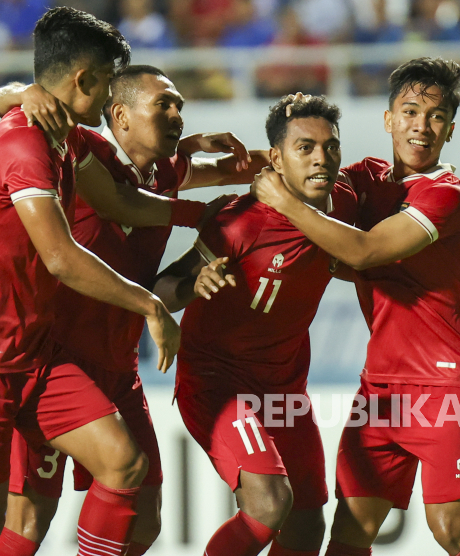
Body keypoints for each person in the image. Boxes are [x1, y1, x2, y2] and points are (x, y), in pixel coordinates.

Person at [0, 9, 213, 556]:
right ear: (84, 80)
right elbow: (59, 257)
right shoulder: (22, 145)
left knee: (124, 465)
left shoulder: (64, 138)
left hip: (31, 352)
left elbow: (118, 200)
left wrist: (202, 215)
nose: (106, 105)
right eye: (104, 85)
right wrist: (150, 306)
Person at [0, 64, 270, 556]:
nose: (178, 113)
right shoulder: (79, 153)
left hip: (118, 366)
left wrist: (311, 162)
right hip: (54, 361)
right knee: (30, 517)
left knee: (145, 517)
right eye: (164, 104)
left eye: (180, 104)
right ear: (118, 115)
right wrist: (23, 92)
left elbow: (245, 169)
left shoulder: (166, 171)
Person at [251, 58, 460, 556]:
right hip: (382, 387)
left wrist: (287, 205)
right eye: (410, 111)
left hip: (445, 385)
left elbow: (363, 251)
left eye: (436, 117)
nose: (421, 125)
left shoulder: (446, 194)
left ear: (450, 130)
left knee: (453, 532)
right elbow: (313, 183)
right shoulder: (366, 178)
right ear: (388, 119)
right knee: (348, 535)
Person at [153, 95, 358, 556]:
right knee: (269, 504)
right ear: (277, 158)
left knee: (306, 524)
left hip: (285, 388)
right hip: (217, 385)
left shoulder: (343, 204)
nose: (321, 159)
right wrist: (194, 285)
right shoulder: (240, 221)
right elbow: (163, 289)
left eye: (331, 148)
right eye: (305, 148)